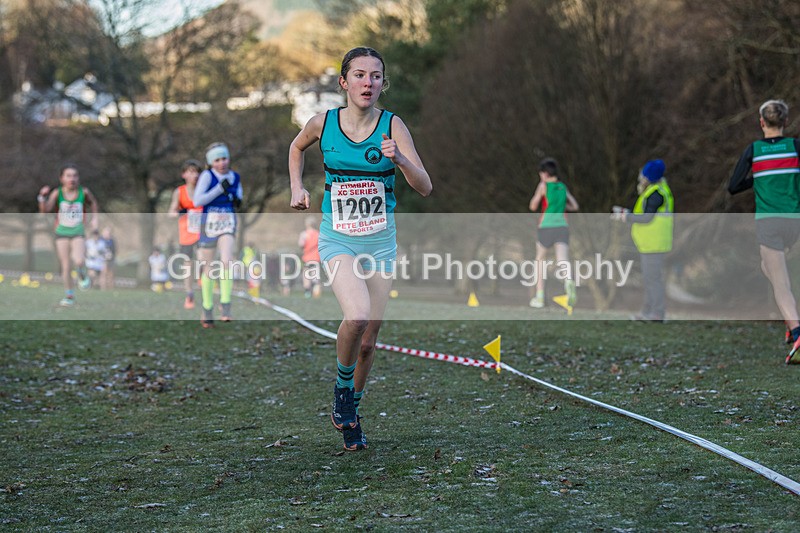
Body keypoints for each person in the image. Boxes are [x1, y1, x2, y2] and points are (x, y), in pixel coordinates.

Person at [289, 47, 432, 451]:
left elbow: (425, 185)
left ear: (382, 83)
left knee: (369, 341)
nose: (367, 83)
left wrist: (401, 158)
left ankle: (351, 412)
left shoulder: (393, 125)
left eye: (375, 76)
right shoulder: (323, 123)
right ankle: (341, 389)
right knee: (357, 316)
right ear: (344, 82)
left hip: (381, 243)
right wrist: (297, 186)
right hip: (337, 238)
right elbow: (296, 147)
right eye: (359, 75)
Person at [728, 99, 800, 363]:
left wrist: (757, 177)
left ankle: (797, 332)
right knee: (768, 268)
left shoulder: (754, 150)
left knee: (780, 283)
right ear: (785, 121)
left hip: (769, 223)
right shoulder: (795, 146)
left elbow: (734, 186)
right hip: (794, 221)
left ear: (761, 122)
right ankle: (790, 316)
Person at [612, 159, 674, 323]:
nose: (640, 178)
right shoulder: (656, 191)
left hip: (654, 242)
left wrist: (625, 217)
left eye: (643, 175)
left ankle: (657, 314)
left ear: (649, 177)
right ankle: (647, 311)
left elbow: (647, 217)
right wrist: (627, 212)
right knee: (649, 278)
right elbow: (644, 212)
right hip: (651, 242)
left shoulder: (655, 193)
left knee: (653, 279)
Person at [193, 142, 243, 327]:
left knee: (227, 261)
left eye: (224, 158)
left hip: (227, 222)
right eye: (217, 160)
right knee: (208, 268)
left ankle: (226, 304)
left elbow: (239, 197)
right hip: (209, 223)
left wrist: (237, 199)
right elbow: (198, 200)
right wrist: (219, 189)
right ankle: (207, 309)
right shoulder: (207, 176)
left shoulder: (235, 176)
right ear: (211, 163)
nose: (222, 163)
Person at [38, 164, 100, 306]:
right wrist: (41, 198)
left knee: (79, 260)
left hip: (78, 231)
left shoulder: (83, 192)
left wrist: (95, 219)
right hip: (61, 232)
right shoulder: (57, 193)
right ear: (62, 178)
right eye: (68, 175)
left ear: (78, 178)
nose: (72, 178)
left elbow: (93, 203)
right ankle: (69, 295)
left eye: (75, 175)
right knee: (65, 266)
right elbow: (45, 210)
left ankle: (82, 274)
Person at [528, 157, 579, 308]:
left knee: (539, 261)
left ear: (544, 173)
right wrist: (562, 207)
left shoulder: (543, 186)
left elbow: (533, 206)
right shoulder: (562, 187)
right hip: (562, 226)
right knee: (563, 259)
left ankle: (540, 297)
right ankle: (569, 281)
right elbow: (575, 206)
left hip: (546, 226)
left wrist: (540, 194)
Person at [168, 159, 203, 309]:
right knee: (188, 265)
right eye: (190, 171)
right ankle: (189, 294)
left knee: (204, 260)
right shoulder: (179, 192)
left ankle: (202, 279)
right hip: (187, 234)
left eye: (196, 171)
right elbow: (171, 212)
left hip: (203, 233)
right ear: (184, 174)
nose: (194, 175)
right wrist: (183, 212)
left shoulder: (204, 190)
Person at [298, 215, 322, 298]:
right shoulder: (318, 234)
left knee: (306, 276)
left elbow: (301, 244)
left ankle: (307, 292)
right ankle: (316, 291)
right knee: (315, 275)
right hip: (316, 258)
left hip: (307, 258)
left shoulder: (304, 234)